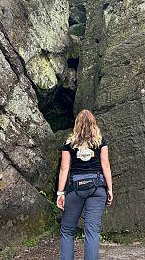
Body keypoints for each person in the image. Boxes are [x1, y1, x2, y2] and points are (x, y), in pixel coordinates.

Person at [57, 109, 113, 260]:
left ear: (76, 124)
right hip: (97, 188)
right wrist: (109, 189)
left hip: (76, 189)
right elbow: (105, 165)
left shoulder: (69, 143)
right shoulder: (101, 141)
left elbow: (64, 168)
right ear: (94, 124)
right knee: (92, 230)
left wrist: (60, 193)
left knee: (68, 230)